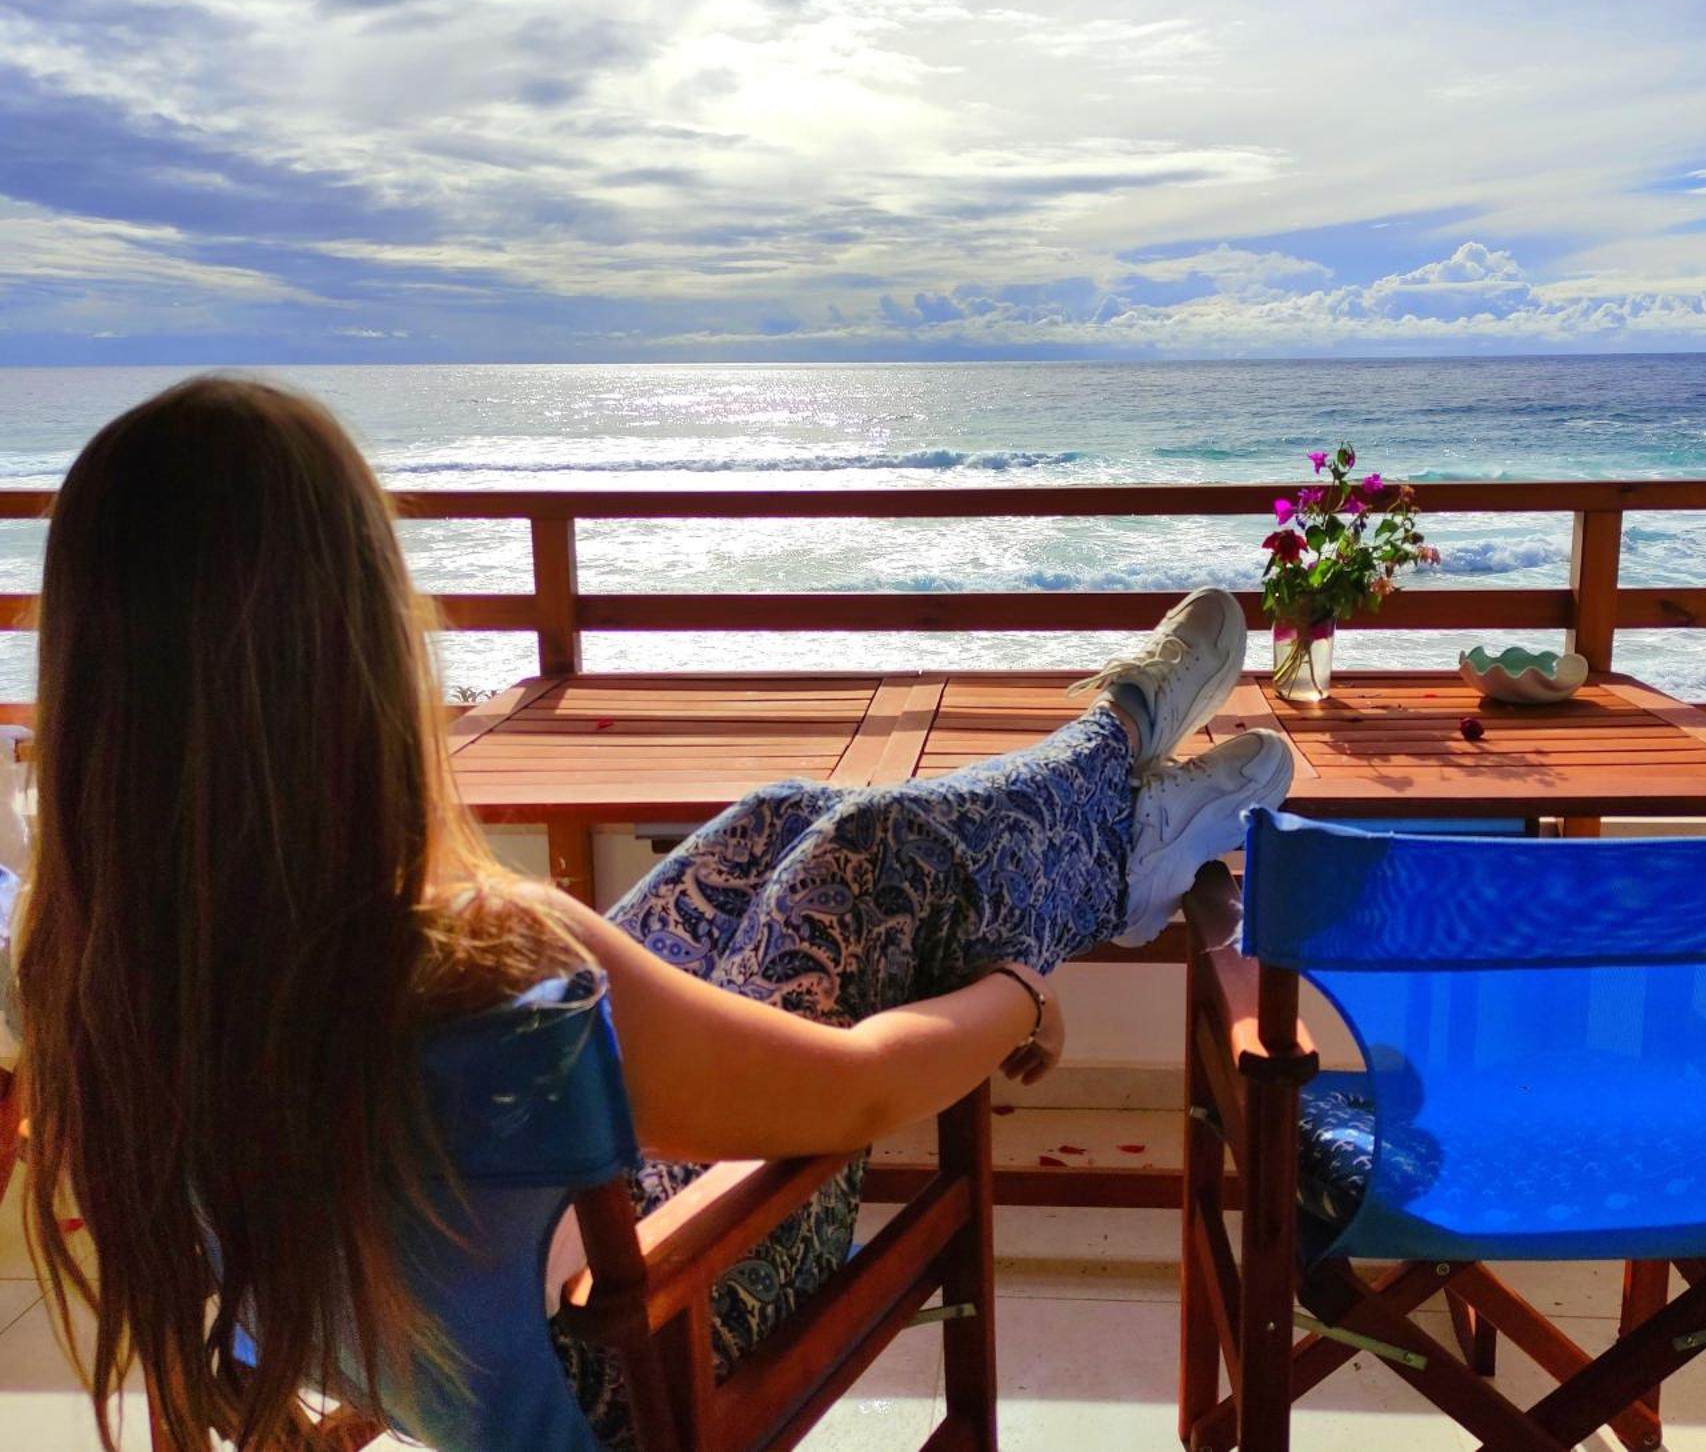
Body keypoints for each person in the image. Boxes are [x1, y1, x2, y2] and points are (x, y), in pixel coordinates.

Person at [11, 376, 1290, 1450]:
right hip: (649, 1345)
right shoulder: (476, 964)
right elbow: (854, 1091)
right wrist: (1015, 995)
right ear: (355, 656)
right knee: (868, 856)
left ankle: (1116, 793)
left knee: (783, 819)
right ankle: (1111, 787)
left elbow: (259, 1278)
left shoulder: (88, 976)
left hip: (497, 1293)